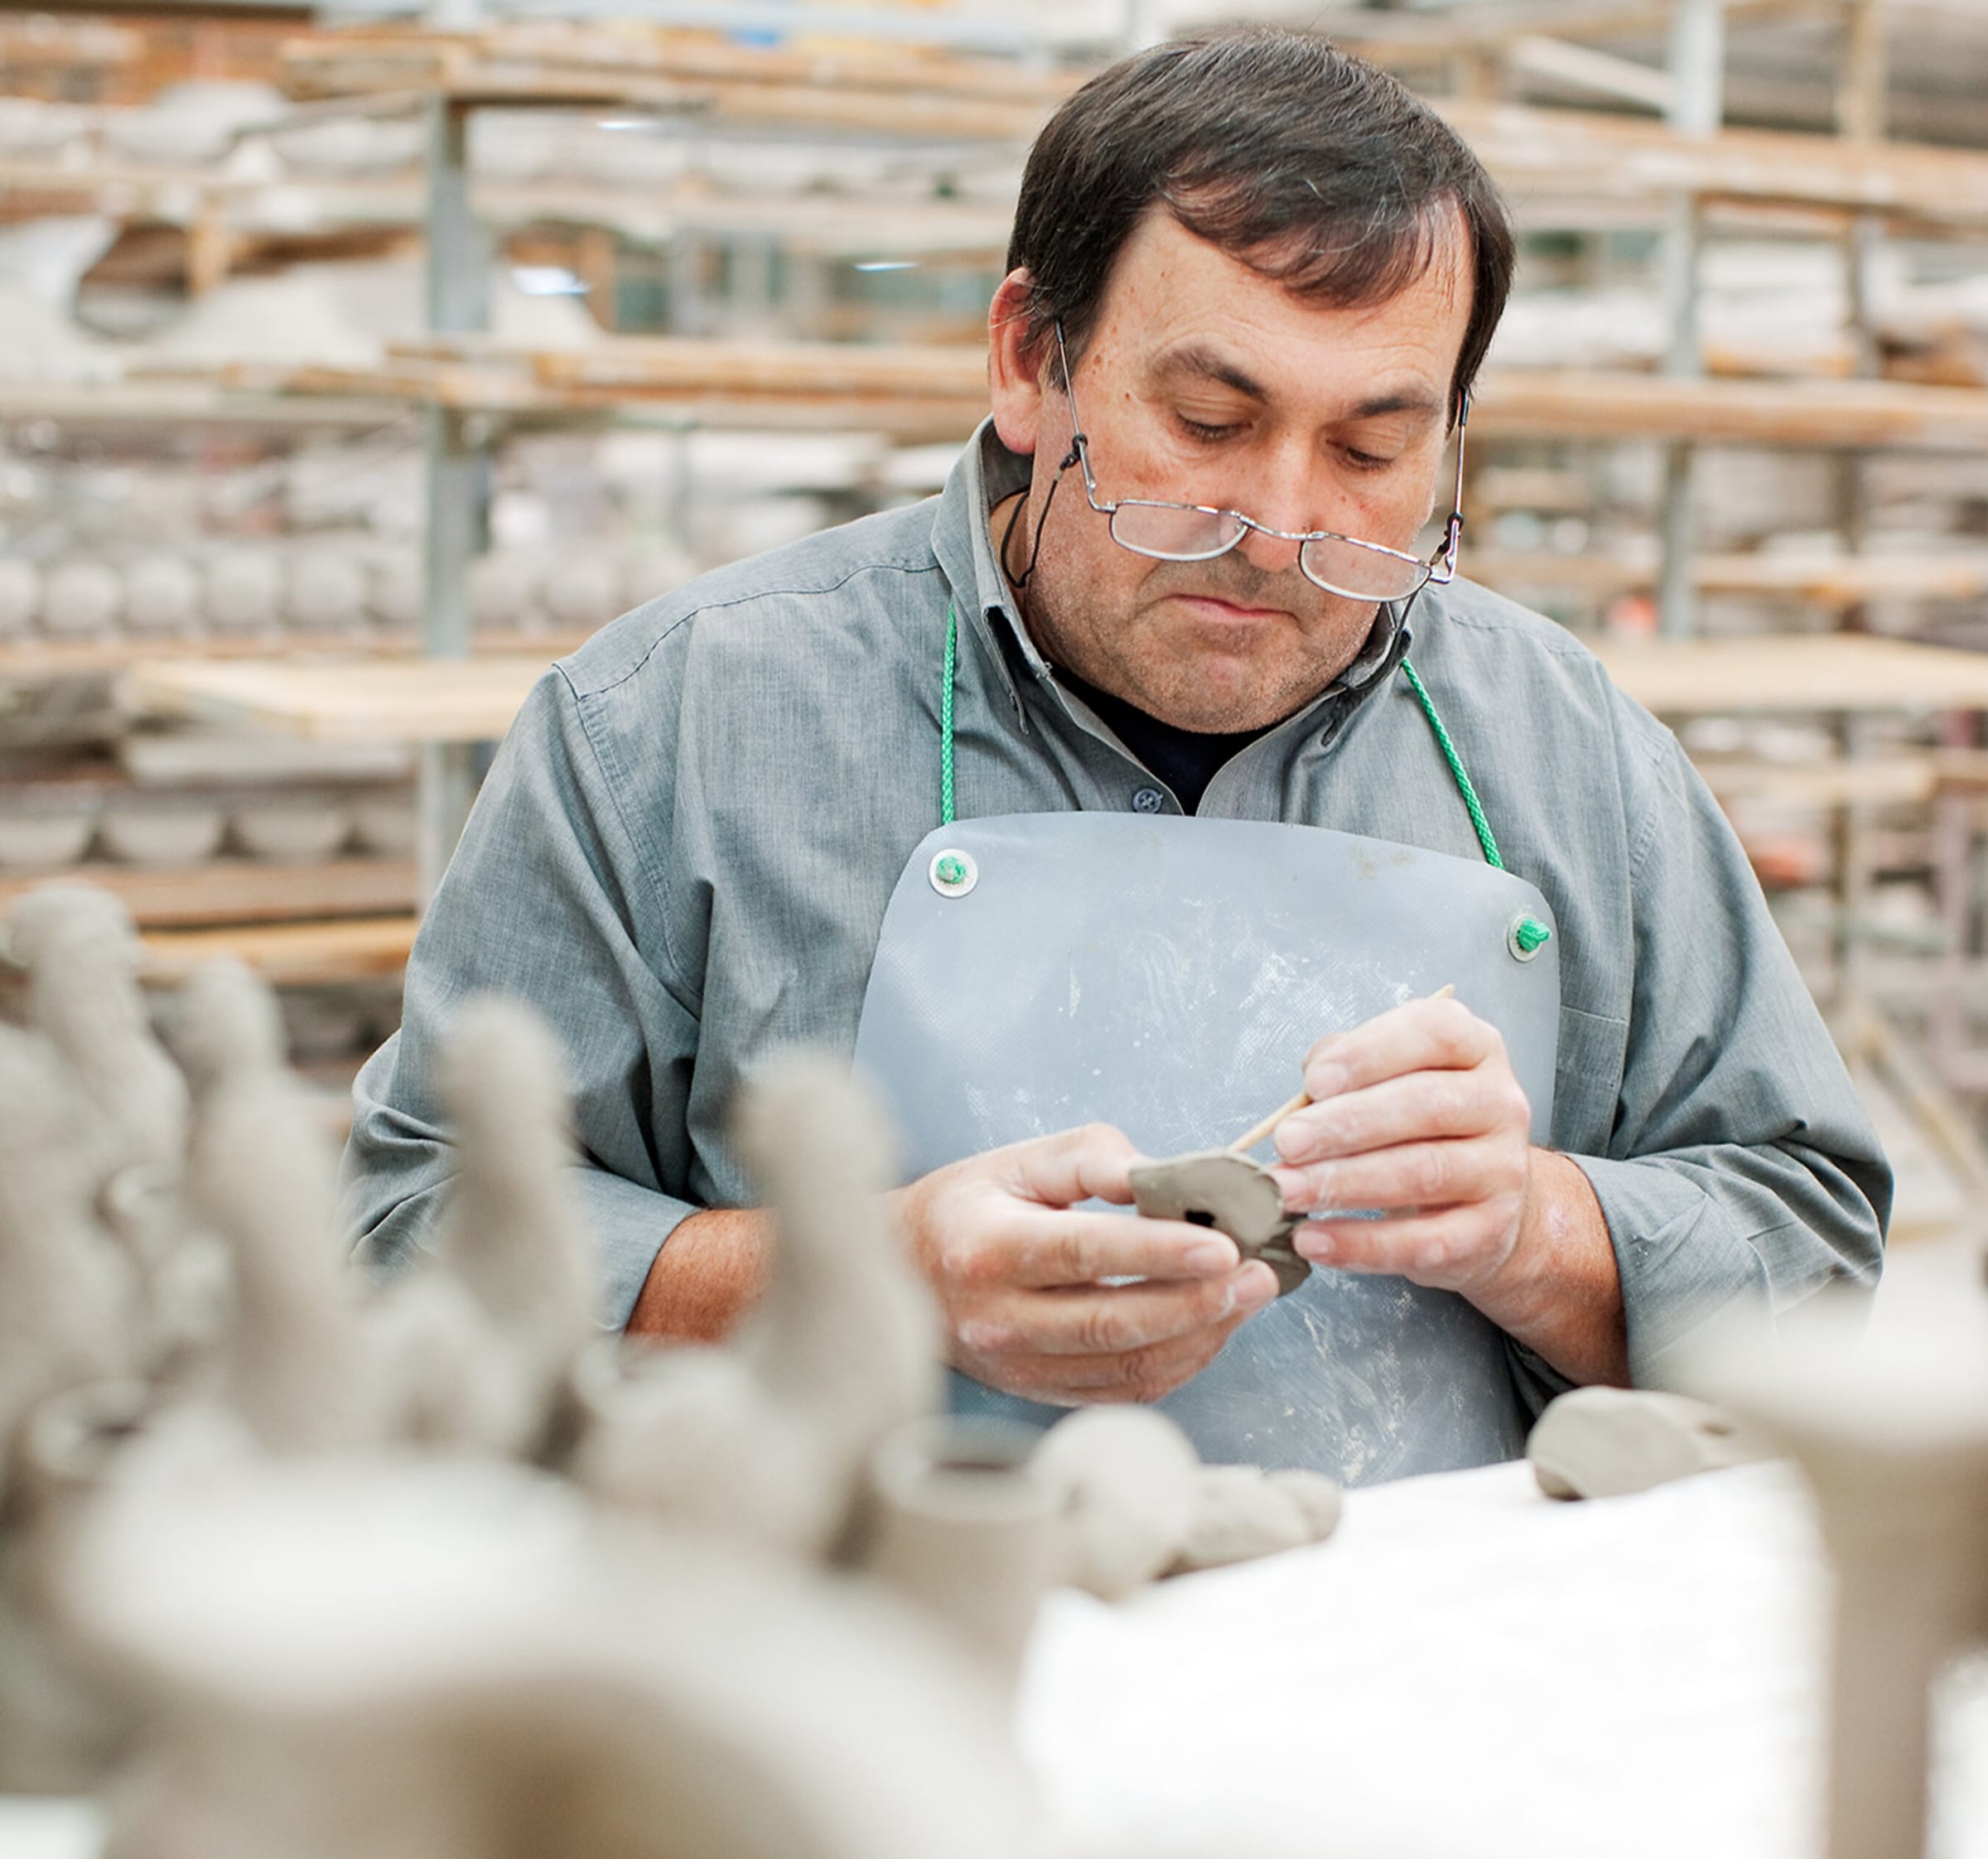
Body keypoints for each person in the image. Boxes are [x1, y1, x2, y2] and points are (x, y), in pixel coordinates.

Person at [342, 31, 1889, 1485]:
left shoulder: (1571, 758)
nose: (1282, 525)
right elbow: (408, 1229)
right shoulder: (672, 731)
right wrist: (862, 1270)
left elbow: (1811, 1253)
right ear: (1031, 360)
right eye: (1209, 418)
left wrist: (1541, 1228)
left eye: (1370, 452)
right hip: (857, 1673)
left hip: (1409, 1672)